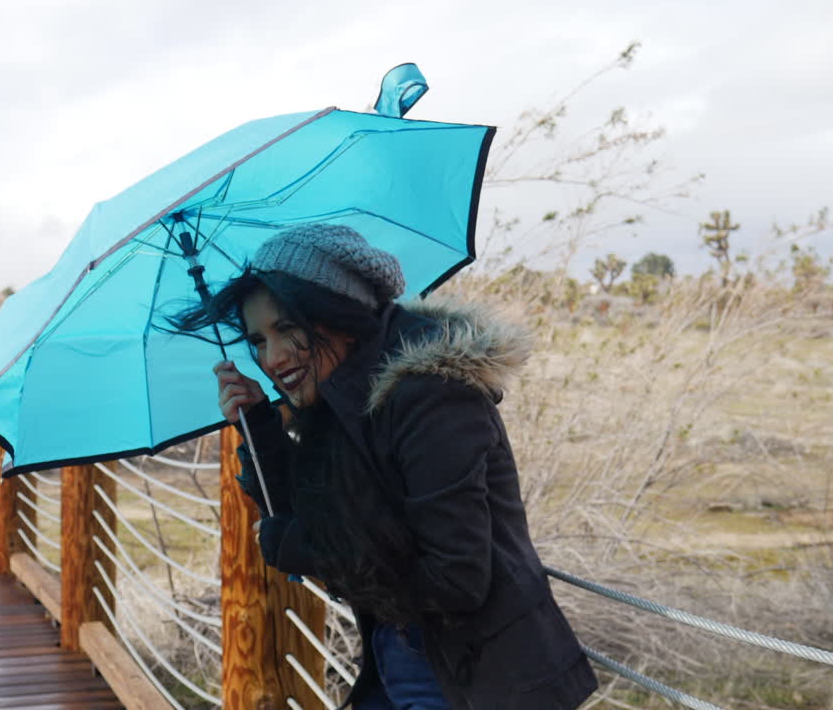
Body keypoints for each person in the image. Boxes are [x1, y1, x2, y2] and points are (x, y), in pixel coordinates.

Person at [168, 224, 597, 709]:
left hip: (483, 676)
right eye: (258, 340)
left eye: (288, 328)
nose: (273, 357)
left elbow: (457, 580)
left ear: (339, 315)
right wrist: (259, 426)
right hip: (400, 656)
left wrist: (309, 551)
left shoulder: (432, 396)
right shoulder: (339, 399)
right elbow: (305, 509)